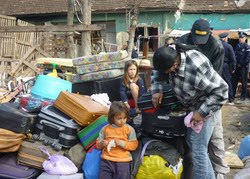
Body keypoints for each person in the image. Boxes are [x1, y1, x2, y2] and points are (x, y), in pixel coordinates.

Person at [151, 43, 228, 179]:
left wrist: (201, 112)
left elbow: (221, 92)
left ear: (175, 64)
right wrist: (157, 90)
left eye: (168, 71)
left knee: (198, 149)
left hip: (207, 106)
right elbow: (157, 71)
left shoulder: (196, 65)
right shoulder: (168, 54)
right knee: (193, 144)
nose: (168, 75)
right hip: (190, 106)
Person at [177, 18, 230, 179]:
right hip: (188, 95)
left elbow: (216, 80)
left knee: (215, 136)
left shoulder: (216, 47)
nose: (199, 44)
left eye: (203, 40)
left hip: (210, 96)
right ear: (191, 33)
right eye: (196, 39)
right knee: (195, 141)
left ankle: (220, 171)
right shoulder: (182, 41)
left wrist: (204, 109)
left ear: (209, 34)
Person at [96, 101, 138, 179]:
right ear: (112, 117)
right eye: (119, 118)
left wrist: (122, 143)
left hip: (123, 161)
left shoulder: (129, 129)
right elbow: (98, 145)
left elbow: (134, 145)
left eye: (124, 118)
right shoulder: (105, 129)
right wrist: (102, 144)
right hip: (106, 160)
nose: (122, 121)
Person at [232, 31, 250, 101]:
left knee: (244, 82)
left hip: (243, 67)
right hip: (237, 67)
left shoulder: (247, 47)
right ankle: (232, 95)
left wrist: (241, 64)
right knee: (234, 81)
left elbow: (248, 59)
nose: (240, 39)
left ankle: (243, 96)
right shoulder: (237, 46)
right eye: (240, 38)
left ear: (245, 38)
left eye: (242, 38)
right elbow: (235, 56)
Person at [219, 32, 237, 104]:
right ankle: (231, 98)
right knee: (228, 82)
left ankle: (221, 97)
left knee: (219, 82)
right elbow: (233, 58)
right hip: (225, 66)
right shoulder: (228, 46)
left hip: (218, 65)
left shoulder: (216, 45)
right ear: (225, 38)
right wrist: (233, 68)